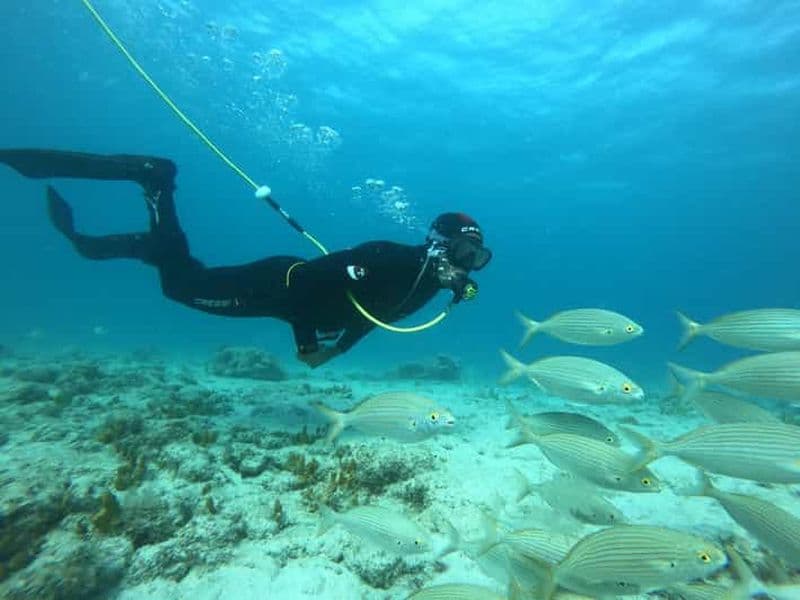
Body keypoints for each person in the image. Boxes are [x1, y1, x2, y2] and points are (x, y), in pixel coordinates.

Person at [0, 149, 492, 367]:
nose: (467, 265)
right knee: (179, 288)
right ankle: (155, 181)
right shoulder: (391, 259)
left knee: (181, 276)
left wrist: (338, 351)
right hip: (275, 285)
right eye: (463, 253)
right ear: (437, 243)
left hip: (290, 302)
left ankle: (144, 243)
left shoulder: (429, 285)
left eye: (477, 257)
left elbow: (377, 315)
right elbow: (308, 285)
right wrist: (306, 347)